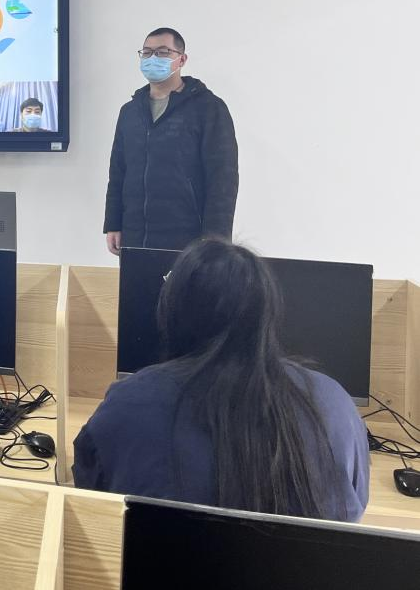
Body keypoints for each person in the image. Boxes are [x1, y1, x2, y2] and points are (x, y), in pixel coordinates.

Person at [73, 239, 368, 522]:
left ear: (173, 313)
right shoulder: (333, 405)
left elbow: (89, 496)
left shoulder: (128, 404)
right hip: (296, 561)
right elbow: (352, 511)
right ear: (267, 314)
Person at [104, 28, 238, 255]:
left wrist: (216, 239)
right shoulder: (130, 111)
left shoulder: (208, 108)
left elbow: (223, 178)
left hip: (189, 238)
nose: (152, 58)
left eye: (163, 52)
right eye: (147, 53)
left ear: (182, 59)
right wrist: (113, 223)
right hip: (135, 235)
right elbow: (118, 172)